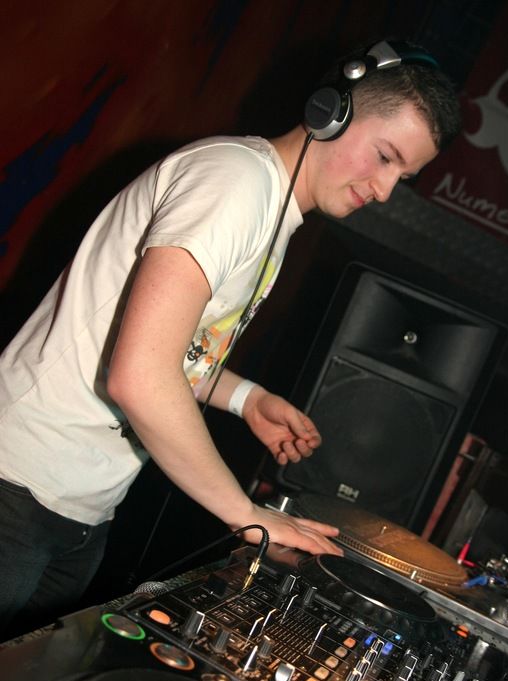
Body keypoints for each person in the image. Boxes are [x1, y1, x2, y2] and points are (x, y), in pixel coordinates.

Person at [0, 41, 461, 634]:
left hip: (80, 510)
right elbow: (140, 376)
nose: (384, 190)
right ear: (331, 112)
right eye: (384, 157)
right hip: (18, 486)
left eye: (404, 176)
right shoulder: (235, 183)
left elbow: (173, 349)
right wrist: (246, 514)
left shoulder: (271, 213)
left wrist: (247, 399)